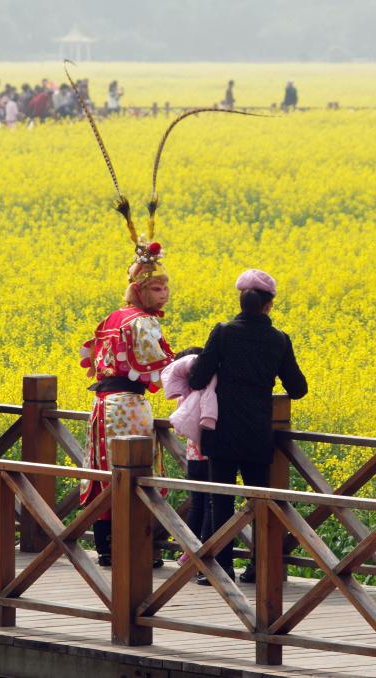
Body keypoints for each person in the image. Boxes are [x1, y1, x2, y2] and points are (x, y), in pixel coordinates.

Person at [189, 269, 308, 584]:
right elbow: (297, 389)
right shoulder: (279, 339)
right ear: (269, 305)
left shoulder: (224, 331)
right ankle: (259, 567)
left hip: (222, 429)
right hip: (257, 431)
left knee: (222, 501)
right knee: (260, 501)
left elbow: (197, 377)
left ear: (241, 301)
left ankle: (221, 567)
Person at [78, 249, 175, 567]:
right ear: (140, 290)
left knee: (105, 473)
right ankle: (136, 548)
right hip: (129, 407)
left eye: (165, 287)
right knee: (134, 473)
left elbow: (91, 357)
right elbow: (161, 367)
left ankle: (107, 548)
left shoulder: (113, 317)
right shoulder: (143, 322)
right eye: (156, 288)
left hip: (102, 405)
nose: (164, 295)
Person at [162, 347, 214, 562]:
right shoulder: (207, 391)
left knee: (197, 503)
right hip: (211, 455)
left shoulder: (183, 394)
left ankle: (188, 551)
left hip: (193, 456)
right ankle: (206, 552)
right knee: (212, 504)